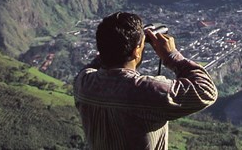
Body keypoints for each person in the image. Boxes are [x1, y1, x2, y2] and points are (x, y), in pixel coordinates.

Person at [73, 11, 218, 149]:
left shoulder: (83, 84)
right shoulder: (145, 92)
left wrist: (115, 46)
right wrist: (172, 56)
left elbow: (94, 65)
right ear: (136, 51)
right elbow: (206, 91)